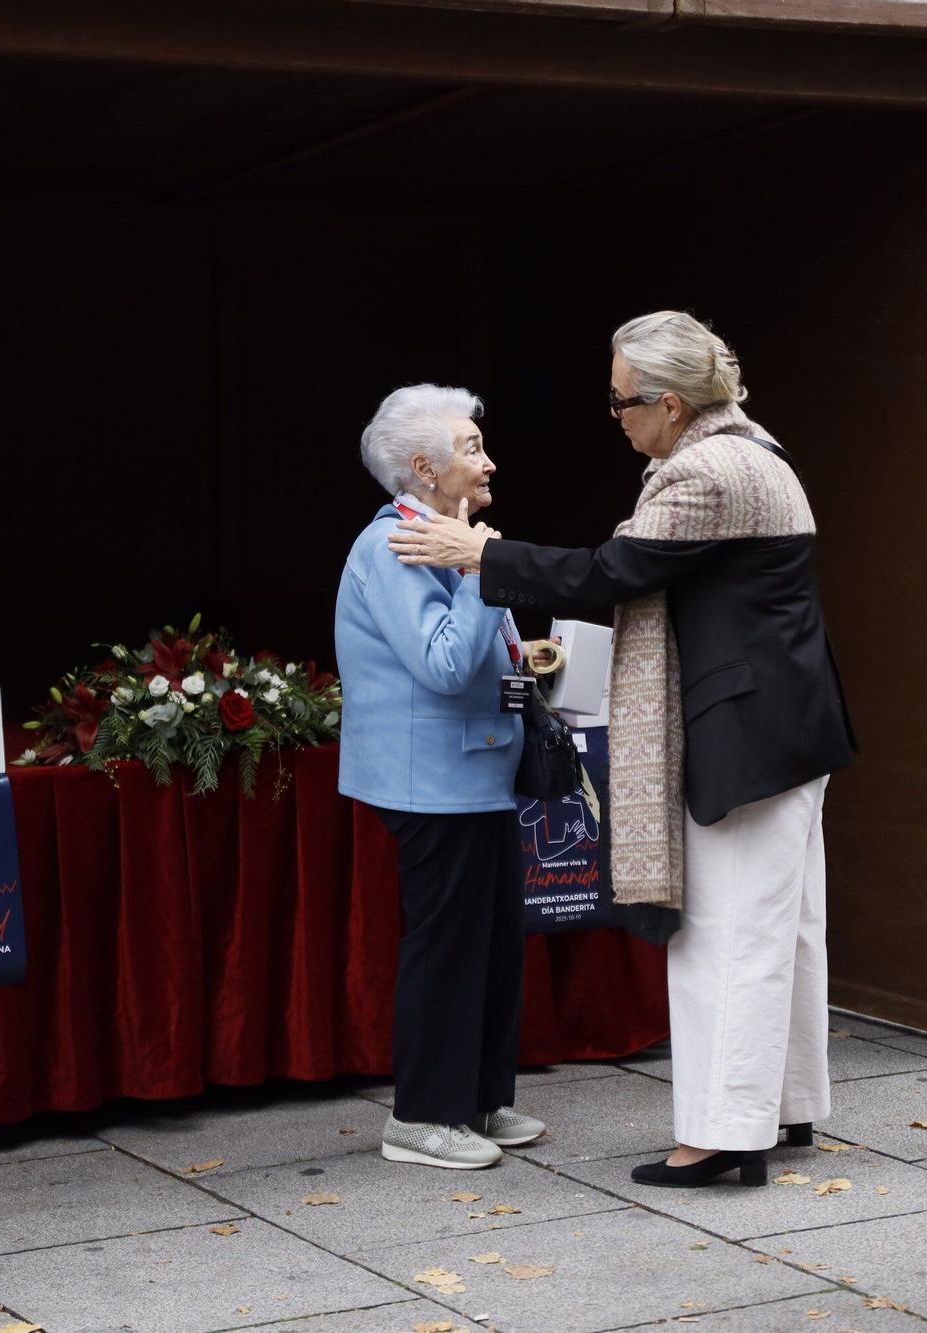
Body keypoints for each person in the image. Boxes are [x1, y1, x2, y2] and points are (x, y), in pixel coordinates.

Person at [390, 312, 857, 1188]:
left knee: (729, 933)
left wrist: (481, 554)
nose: (616, 418)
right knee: (787, 928)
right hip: (787, 720)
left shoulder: (707, 472)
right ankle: (783, 1105)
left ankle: (723, 1134)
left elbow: (611, 572)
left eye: (621, 402)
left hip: (747, 730)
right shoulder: (755, 445)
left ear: (672, 404)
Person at [335, 383, 546, 1170]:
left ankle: (481, 1102)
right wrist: (479, 573)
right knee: (448, 944)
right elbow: (447, 664)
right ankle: (422, 1117)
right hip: (431, 779)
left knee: (493, 941)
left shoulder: (446, 532)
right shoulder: (393, 544)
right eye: (470, 447)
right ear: (422, 466)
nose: (487, 459)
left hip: (477, 771)